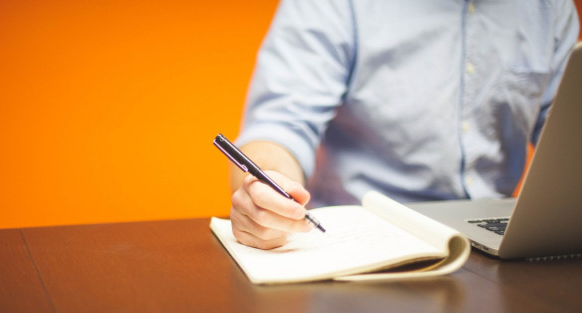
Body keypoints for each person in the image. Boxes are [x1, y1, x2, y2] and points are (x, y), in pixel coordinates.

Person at [229, 0, 580, 249]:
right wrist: (268, 189)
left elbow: (568, 136)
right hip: (361, 240)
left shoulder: (551, 7)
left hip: (502, 242)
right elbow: (280, 125)